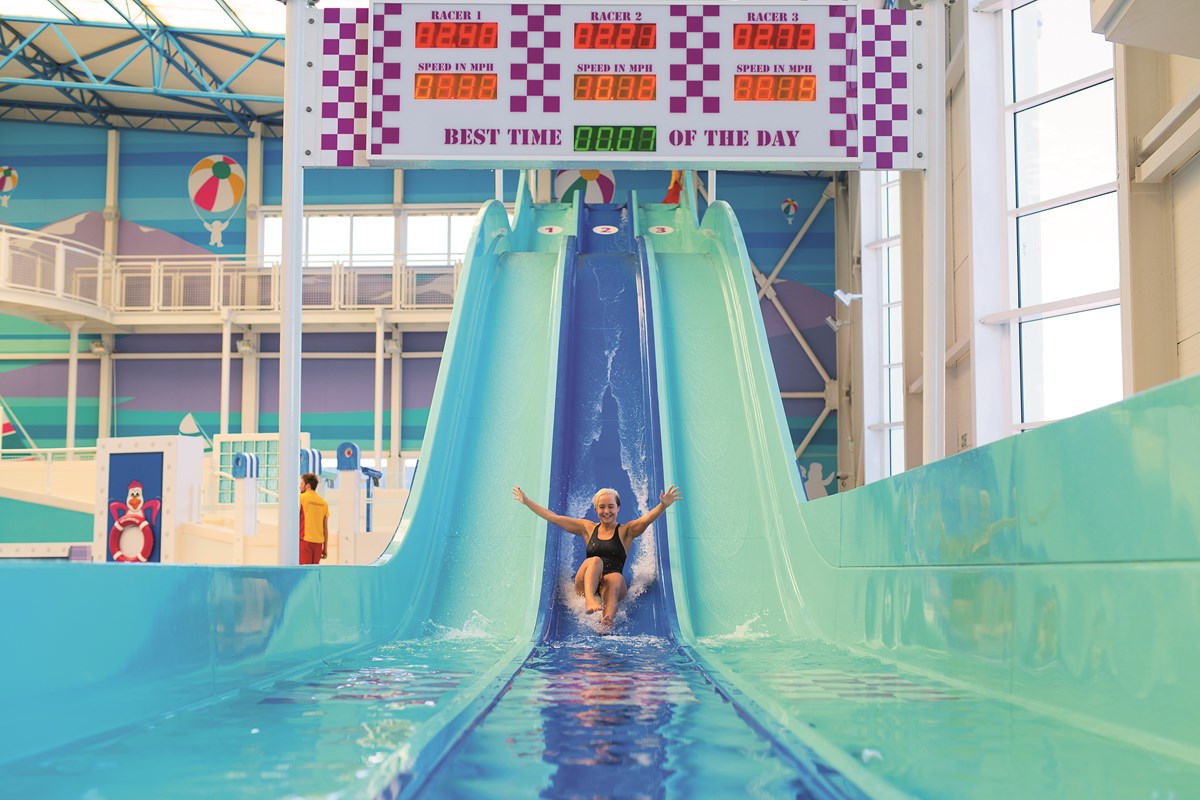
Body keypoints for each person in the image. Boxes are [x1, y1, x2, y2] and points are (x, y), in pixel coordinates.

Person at [512, 483, 682, 628]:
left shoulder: (625, 532)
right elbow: (554, 518)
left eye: (611, 507)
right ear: (595, 509)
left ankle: (607, 620)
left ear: (618, 508)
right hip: (587, 584)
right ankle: (590, 601)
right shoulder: (588, 528)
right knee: (595, 560)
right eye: (602, 507)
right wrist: (527, 502)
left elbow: (645, 520)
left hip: (612, 587)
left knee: (614, 577)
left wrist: (663, 506)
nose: (606, 511)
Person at [298, 472, 329, 565]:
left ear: (307, 486)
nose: (300, 487)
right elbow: (325, 529)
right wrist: (325, 548)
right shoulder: (324, 503)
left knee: (303, 572)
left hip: (305, 541)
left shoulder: (300, 498)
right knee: (313, 572)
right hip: (318, 544)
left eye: (301, 484)